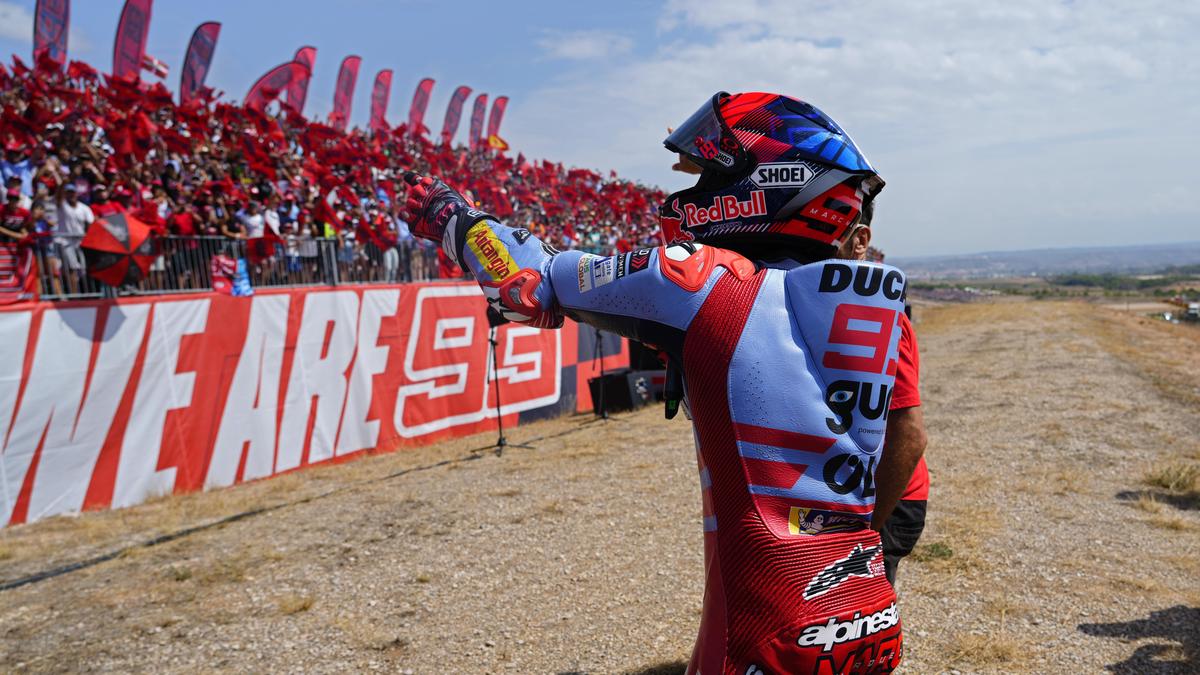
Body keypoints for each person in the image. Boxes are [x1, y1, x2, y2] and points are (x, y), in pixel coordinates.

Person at [405, 91, 909, 674]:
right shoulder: (869, 295)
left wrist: (457, 221)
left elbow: (528, 286)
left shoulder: (702, 283)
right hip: (862, 601)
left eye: (710, 172)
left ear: (770, 181)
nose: (692, 191)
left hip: (764, 622)